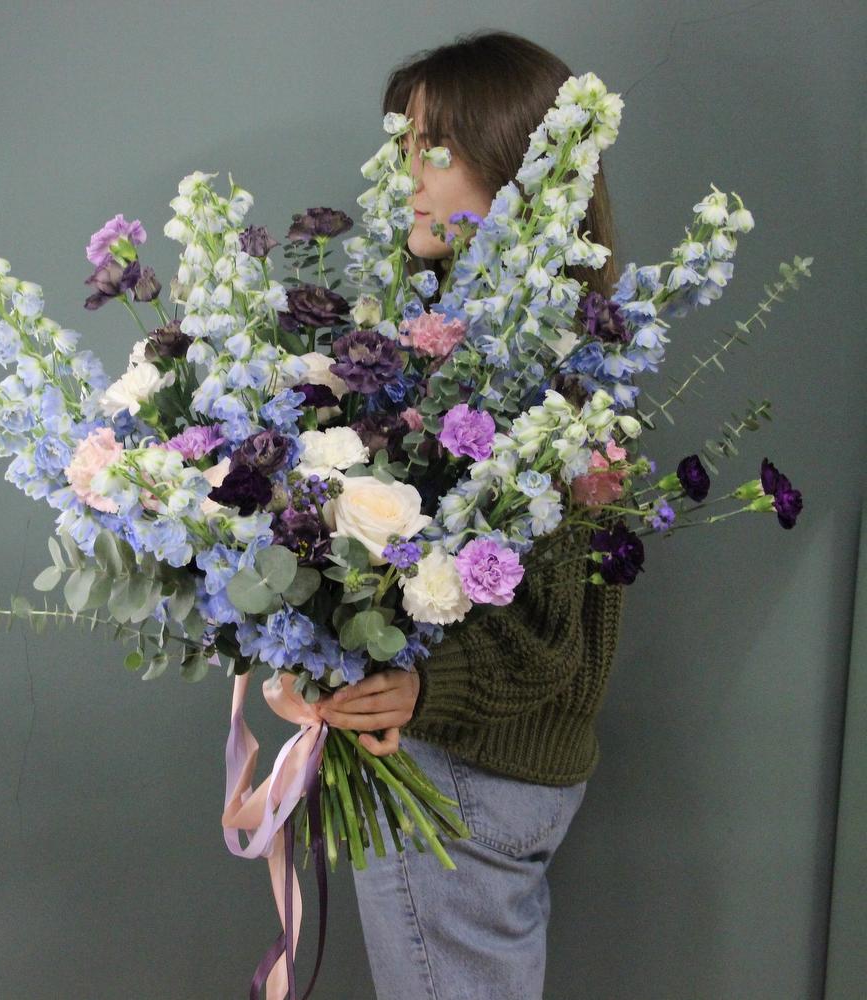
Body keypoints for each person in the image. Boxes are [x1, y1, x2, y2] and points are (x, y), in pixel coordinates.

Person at [313, 29, 627, 1000]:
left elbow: (550, 636)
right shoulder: (462, 343)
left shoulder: (539, 371)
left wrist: (418, 690)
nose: (408, 176)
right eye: (404, 147)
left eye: (435, 151)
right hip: (485, 777)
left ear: (517, 169)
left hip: (462, 777)